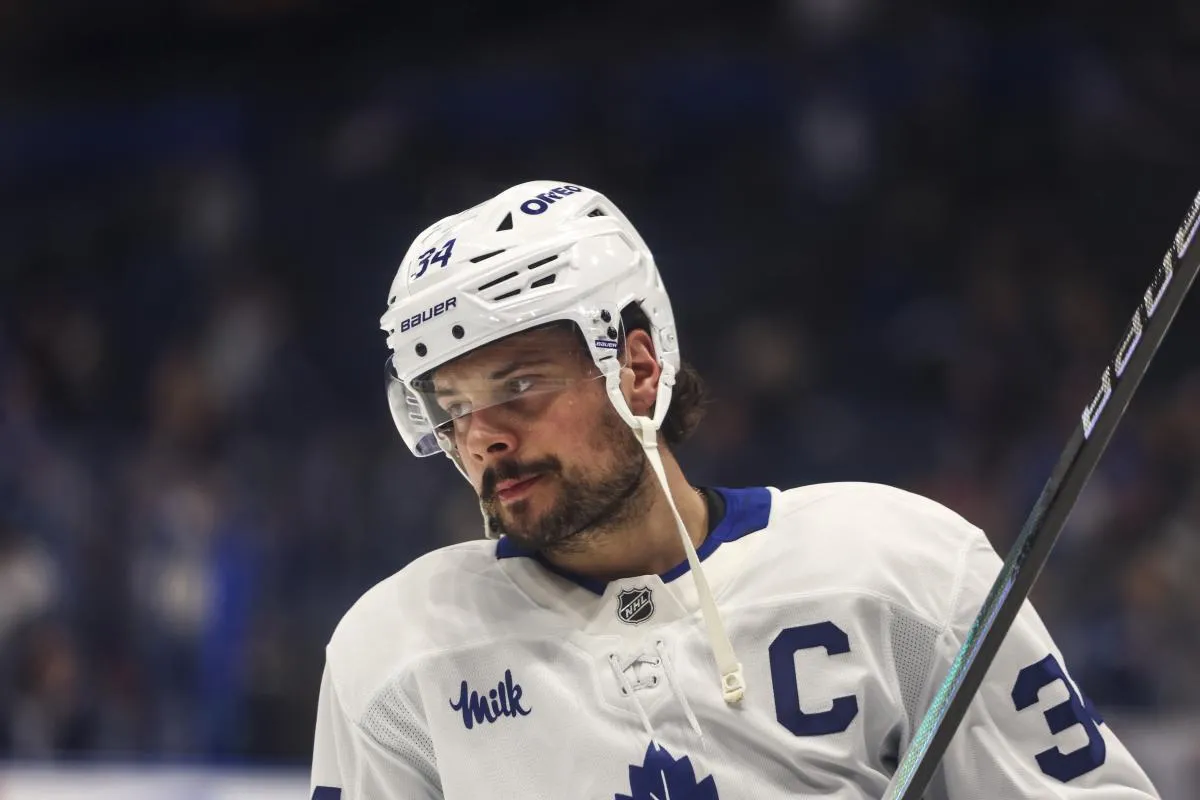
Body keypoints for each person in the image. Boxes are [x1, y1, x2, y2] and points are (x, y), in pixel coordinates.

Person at [309, 181, 1159, 799]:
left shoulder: (903, 568)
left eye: (519, 385)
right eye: (452, 409)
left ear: (636, 367)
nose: (482, 436)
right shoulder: (396, 657)